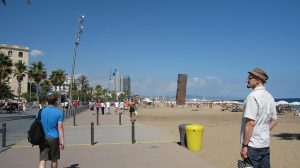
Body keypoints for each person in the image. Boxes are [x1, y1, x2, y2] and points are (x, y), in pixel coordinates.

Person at [240, 68, 277, 168]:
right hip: (265, 144)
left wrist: (245, 146)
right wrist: (264, 131)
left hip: (253, 145)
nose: (247, 80)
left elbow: (250, 123)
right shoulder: (269, 96)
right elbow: (274, 121)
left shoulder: (252, 96)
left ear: (259, 80)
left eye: (249, 78)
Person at [38, 93, 64, 168]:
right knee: (54, 159)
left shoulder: (41, 111)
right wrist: (62, 140)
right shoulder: (59, 113)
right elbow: (60, 128)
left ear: (47, 101)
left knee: (42, 159)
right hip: (54, 138)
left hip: (43, 137)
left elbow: (38, 123)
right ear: (56, 101)